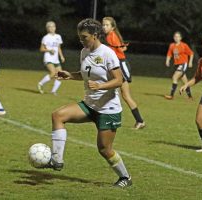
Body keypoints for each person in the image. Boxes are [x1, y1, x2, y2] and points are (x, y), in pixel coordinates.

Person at [47, 18, 132, 188]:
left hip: (108, 109)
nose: (82, 40)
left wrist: (101, 85)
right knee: (57, 115)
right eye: (80, 37)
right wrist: (70, 75)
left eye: (84, 37)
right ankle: (57, 160)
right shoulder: (84, 52)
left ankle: (125, 178)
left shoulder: (107, 53)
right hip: (89, 105)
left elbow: (119, 80)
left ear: (95, 35)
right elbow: (86, 74)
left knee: (104, 149)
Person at [102, 16, 145, 129]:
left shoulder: (112, 36)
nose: (104, 27)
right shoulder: (111, 36)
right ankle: (139, 121)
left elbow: (120, 50)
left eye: (107, 25)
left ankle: (140, 121)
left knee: (124, 95)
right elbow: (121, 49)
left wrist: (118, 47)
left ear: (112, 27)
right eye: (103, 25)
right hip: (117, 65)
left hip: (121, 65)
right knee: (121, 95)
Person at [37, 21, 65, 95]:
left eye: (53, 26)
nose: (52, 28)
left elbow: (59, 47)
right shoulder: (46, 38)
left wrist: (61, 56)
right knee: (52, 73)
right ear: (47, 28)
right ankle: (40, 84)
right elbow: (41, 49)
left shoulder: (58, 36)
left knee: (60, 75)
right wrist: (49, 50)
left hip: (56, 59)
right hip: (48, 58)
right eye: (50, 27)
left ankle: (53, 91)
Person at [165, 31, 194, 100]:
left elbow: (191, 53)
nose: (176, 38)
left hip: (183, 64)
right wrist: (167, 60)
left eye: (178, 37)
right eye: (175, 36)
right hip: (176, 65)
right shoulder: (172, 45)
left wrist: (190, 62)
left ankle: (171, 95)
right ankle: (190, 97)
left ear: (180, 38)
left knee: (175, 77)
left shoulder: (184, 45)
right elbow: (169, 54)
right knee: (185, 82)